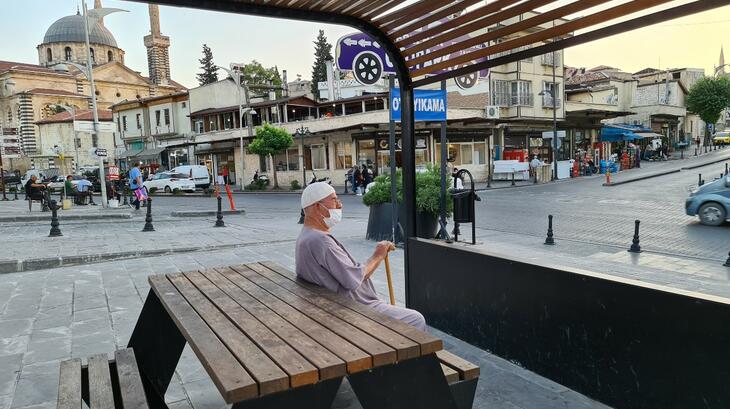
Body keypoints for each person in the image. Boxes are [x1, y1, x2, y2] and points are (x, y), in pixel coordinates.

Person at [295, 182, 426, 330]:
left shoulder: (306, 236)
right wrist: (379, 254)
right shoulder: (320, 241)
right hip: (354, 308)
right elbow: (353, 279)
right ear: (317, 207)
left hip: (334, 305)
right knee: (416, 319)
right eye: (334, 200)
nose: (340, 205)